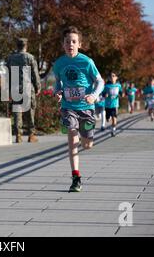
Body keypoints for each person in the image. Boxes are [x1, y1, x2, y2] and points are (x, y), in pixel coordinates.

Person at [53, 26, 105, 193]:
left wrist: (94, 95)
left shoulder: (87, 62)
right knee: (72, 139)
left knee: (87, 144)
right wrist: (57, 92)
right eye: (67, 41)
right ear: (63, 44)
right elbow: (58, 82)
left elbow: (100, 82)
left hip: (87, 108)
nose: (70, 44)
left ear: (79, 44)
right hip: (69, 107)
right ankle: (76, 178)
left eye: (74, 42)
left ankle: (87, 135)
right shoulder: (59, 64)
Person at [7, 38, 41, 143]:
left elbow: (7, 75)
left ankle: (18, 134)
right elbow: (35, 74)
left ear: (17, 46)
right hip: (27, 87)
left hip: (15, 87)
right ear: (26, 46)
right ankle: (31, 134)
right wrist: (37, 86)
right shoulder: (30, 58)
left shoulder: (10, 58)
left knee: (17, 111)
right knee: (30, 110)